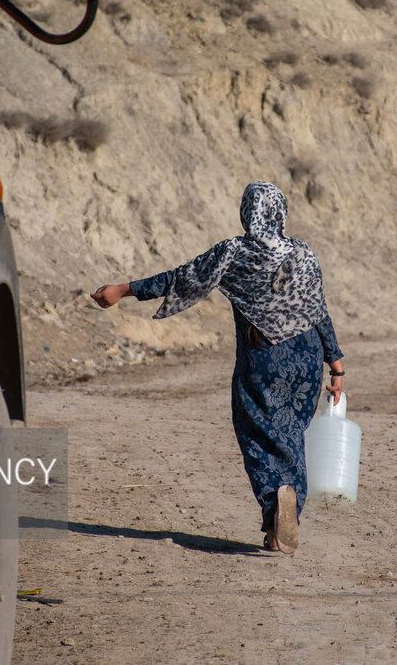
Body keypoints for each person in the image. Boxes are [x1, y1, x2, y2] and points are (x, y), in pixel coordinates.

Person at [90, 181, 346, 554]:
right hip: (307, 359)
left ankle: (275, 504)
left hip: (262, 357)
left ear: (247, 213)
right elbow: (319, 310)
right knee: (292, 435)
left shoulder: (235, 252)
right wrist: (336, 366)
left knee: (256, 432)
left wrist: (122, 289)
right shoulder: (303, 254)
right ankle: (288, 510)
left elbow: (180, 277)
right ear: (281, 213)